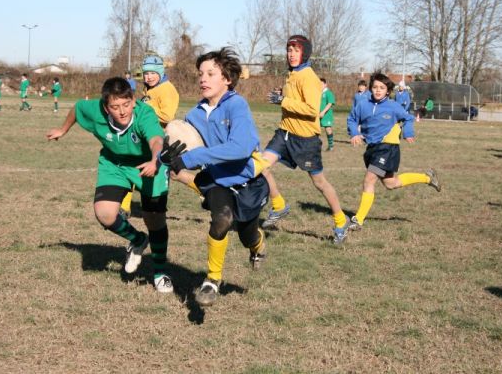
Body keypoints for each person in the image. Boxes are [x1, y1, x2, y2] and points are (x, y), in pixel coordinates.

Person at [159, 47, 268, 307]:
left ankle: (257, 246)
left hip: (247, 181)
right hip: (218, 182)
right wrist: (167, 157)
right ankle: (212, 280)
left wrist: (189, 160)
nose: (203, 79)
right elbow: (184, 150)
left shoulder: (237, 105)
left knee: (247, 235)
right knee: (221, 219)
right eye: (200, 74)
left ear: (227, 79)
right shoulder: (194, 115)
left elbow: (239, 148)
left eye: (211, 73)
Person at [46, 77, 174, 293]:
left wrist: (155, 161)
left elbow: (156, 141)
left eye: (126, 104)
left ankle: (160, 272)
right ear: (106, 107)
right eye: (115, 107)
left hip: (149, 164)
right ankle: (138, 239)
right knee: (105, 214)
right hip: (114, 163)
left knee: (155, 220)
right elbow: (78, 108)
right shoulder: (96, 110)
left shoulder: (144, 114)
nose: (122, 111)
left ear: (133, 100)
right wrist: (62, 129)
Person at [262, 35, 350, 244]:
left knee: (319, 182)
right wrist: (280, 97)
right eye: (289, 50)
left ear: (305, 53)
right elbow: (293, 100)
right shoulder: (292, 74)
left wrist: (284, 100)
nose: (291, 54)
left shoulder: (309, 77)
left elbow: (311, 110)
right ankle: (279, 205)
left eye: (296, 50)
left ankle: (340, 220)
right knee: (259, 166)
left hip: (305, 140)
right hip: (284, 133)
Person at [347, 72, 441, 230]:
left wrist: (408, 133)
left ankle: (358, 220)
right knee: (391, 183)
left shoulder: (392, 106)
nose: (378, 90)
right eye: (375, 87)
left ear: (388, 91)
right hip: (372, 148)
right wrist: (355, 133)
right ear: (370, 89)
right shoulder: (363, 104)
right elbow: (352, 119)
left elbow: (409, 118)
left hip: (388, 148)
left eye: (381, 88)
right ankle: (427, 178)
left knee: (369, 180)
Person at [120, 54, 185, 218]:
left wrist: (145, 107)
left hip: (158, 139)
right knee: (133, 166)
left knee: (173, 173)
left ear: (160, 73)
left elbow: (167, 115)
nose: (148, 77)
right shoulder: (150, 88)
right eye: (146, 73)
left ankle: (204, 192)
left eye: (152, 73)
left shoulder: (167, 89)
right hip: (144, 137)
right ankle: (124, 207)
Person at [319, 78, 336, 151]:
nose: (320, 85)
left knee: (328, 129)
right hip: (318, 114)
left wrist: (323, 112)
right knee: (316, 130)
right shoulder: (318, 93)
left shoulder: (328, 93)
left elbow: (330, 103)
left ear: (325, 84)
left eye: (322, 84)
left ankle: (331, 146)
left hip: (326, 115)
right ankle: (316, 146)